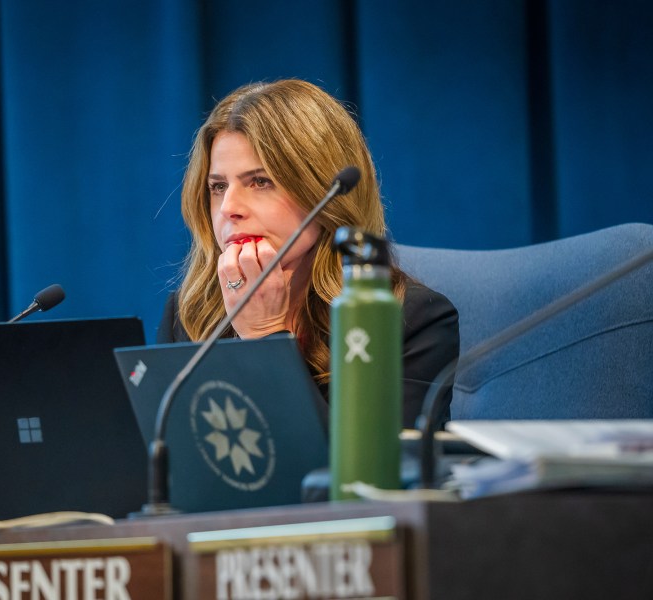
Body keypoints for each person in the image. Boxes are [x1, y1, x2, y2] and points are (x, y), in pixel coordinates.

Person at [157, 79, 459, 428]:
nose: (229, 208)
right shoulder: (190, 313)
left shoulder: (410, 319)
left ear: (323, 193)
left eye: (260, 181)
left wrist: (266, 337)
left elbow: (361, 476)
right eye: (218, 186)